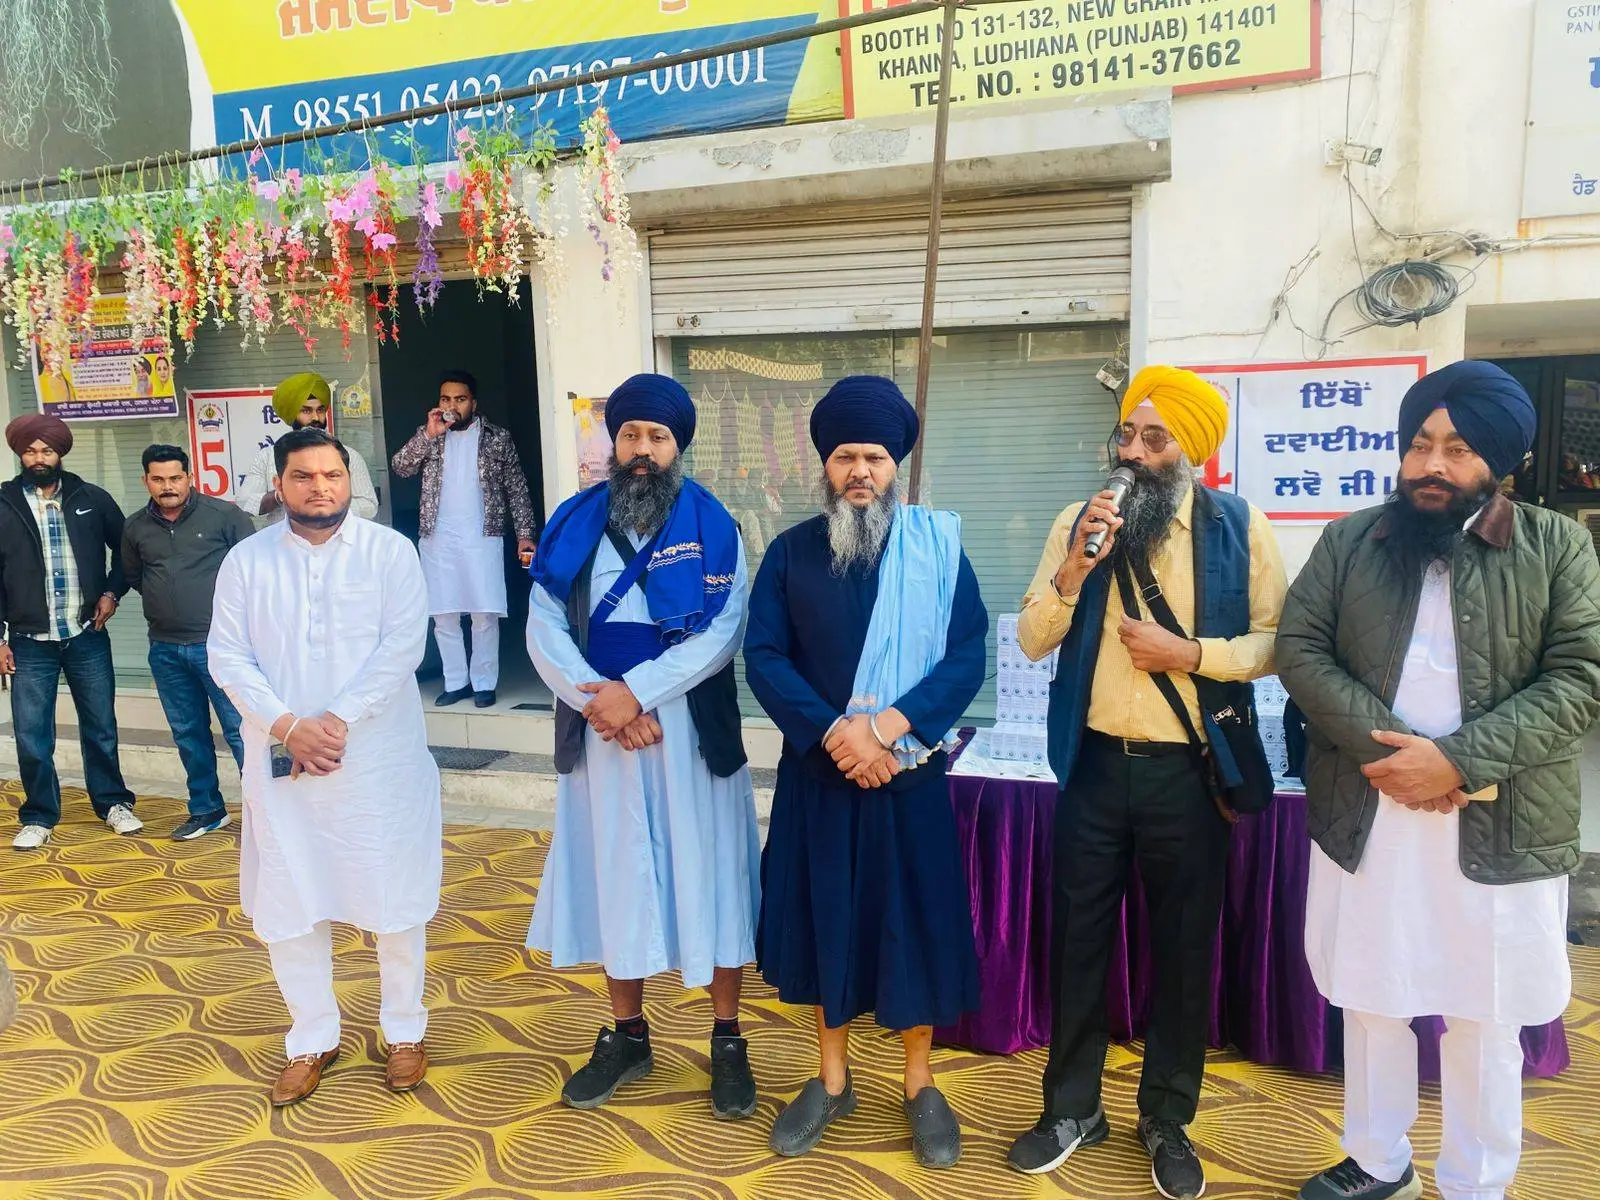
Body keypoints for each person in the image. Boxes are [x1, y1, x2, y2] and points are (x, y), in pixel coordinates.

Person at [1278, 360, 1600, 1200]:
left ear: (1503, 462)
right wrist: (1395, 758)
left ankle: (1475, 1182)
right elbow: (1299, 650)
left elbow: (1580, 677)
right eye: (1420, 444)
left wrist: (1455, 760)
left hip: (1500, 815)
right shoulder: (1352, 540)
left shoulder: (1557, 546)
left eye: (1458, 449)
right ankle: (1377, 1160)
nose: (1431, 465)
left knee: (1483, 1011)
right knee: (1372, 995)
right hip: (1370, 807)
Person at [1007, 366, 1287, 1199]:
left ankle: (1167, 1118)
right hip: (1094, 768)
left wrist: (1192, 654)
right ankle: (1071, 1110)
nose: (1132, 451)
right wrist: (1073, 572)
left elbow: (1277, 641)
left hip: (1188, 775)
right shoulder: (1078, 522)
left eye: (1154, 438)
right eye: (1127, 433)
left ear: (1190, 450)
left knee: (1183, 952)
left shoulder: (1239, 527)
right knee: (1077, 945)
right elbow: (1032, 639)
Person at [744, 376, 988, 1169]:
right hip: (822, 778)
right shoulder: (790, 554)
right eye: (845, 456)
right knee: (828, 925)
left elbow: (966, 657)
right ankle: (832, 1077)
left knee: (912, 928)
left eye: (875, 458)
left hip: (907, 779)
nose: (860, 471)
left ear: (896, 465)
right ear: (825, 465)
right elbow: (765, 656)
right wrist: (835, 736)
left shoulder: (936, 552)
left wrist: (885, 730)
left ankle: (919, 1082)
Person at [525, 374, 761, 1119]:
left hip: (691, 733)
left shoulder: (716, 525)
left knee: (711, 876)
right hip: (603, 732)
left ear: (677, 447)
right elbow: (542, 625)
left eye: (658, 437)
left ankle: (727, 1039)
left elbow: (724, 630)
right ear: (613, 441)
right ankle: (628, 1035)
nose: (642, 450)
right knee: (616, 875)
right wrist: (602, 702)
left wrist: (639, 691)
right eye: (630, 434)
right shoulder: (572, 524)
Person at [207, 426, 441, 1107]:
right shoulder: (247, 561)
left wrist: (333, 721)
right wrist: (288, 727)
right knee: (292, 896)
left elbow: (403, 647)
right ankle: (311, 1037)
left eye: (332, 474)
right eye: (303, 476)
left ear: (350, 480)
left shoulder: (390, 552)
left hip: (378, 758)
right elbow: (228, 656)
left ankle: (404, 1030)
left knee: (394, 897)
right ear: (279, 484)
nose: (320, 487)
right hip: (284, 759)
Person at [0, 413, 140, 850]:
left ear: (60, 452)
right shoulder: (3, 503)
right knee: (31, 734)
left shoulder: (91, 498)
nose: (39, 458)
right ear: (20, 454)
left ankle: (113, 803)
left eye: (47, 450)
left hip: (85, 635)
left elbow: (128, 550)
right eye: (30, 451)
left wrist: (112, 593)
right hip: (28, 641)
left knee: (101, 725)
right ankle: (39, 816)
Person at [122, 444, 256, 840]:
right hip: (165, 648)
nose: (168, 486)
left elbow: (255, 572)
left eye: (175, 477)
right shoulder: (135, 527)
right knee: (188, 733)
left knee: (242, 732)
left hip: (222, 646)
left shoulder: (224, 515)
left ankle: (266, 813)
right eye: (158, 479)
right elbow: (135, 577)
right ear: (146, 480)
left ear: (190, 477)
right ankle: (207, 809)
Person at [392, 369, 538, 708]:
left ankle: (484, 683)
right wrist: (428, 435)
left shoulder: (497, 438)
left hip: (482, 536)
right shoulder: (430, 435)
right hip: (437, 536)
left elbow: (516, 489)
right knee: (443, 614)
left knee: (483, 613)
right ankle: (455, 681)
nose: (452, 405)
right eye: (446, 399)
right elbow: (401, 466)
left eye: (460, 399)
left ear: (474, 402)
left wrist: (525, 534)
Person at [235, 373, 379, 523]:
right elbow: (244, 503)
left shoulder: (349, 455)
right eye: (306, 411)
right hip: (284, 537)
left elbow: (369, 507)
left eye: (320, 410)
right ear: (292, 415)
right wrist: (280, 495)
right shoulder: (267, 457)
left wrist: (327, 503)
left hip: (339, 537)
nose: (315, 418)